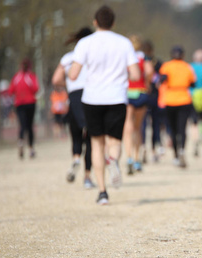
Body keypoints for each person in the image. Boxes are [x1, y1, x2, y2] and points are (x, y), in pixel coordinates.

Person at [68, 5, 140, 205]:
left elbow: (73, 74)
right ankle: (113, 161)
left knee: (96, 144)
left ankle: (102, 192)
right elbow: (135, 74)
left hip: (92, 99)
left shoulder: (85, 43)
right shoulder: (124, 43)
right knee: (114, 141)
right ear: (113, 23)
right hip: (116, 98)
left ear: (95, 22)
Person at [51, 26, 95, 189]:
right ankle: (88, 176)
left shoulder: (68, 58)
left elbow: (56, 80)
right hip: (90, 96)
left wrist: (69, 83)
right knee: (90, 137)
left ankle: (76, 158)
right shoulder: (92, 57)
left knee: (76, 134)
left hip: (73, 97)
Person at [159, 46, 195, 168]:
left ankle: (175, 155)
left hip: (170, 100)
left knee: (172, 129)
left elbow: (162, 79)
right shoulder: (187, 66)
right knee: (182, 128)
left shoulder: (166, 66)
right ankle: (182, 150)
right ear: (183, 55)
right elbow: (193, 82)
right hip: (184, 99)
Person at [123, 35, 154, 174]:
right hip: (141, 92)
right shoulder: (144, 57)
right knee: (138, 127)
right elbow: (149, 72)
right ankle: (137, 159)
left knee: (127, 125)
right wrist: (147, 83)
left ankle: (128, 157)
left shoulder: (125, 56)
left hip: (127, 92)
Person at [8, 58, 39, 159]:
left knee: (22, 124)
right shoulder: (30, 76)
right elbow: (35, 89)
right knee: (29, 126)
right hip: (30, 103)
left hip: (19, 104)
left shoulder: (17, 77)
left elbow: (10, 90)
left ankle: (21, 141)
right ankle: (31, 149)